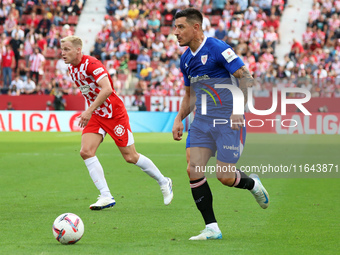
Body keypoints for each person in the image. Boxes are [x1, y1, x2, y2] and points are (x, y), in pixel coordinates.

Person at [172, 8, 270, 241]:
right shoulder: (185, 59)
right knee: (192, 168)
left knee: (224, 177)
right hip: (202, 121)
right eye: (175, 27)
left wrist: (238, 110)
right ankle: (212, 227)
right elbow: (190, 96)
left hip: (228, 120)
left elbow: (245, 76)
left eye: (180, 27)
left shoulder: (218, 48)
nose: (175, 32)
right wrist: (179, 118)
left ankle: (252, 184)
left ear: (196, 27)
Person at [60, 36, 173, 210]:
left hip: (114, 113)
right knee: (86, 151)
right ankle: (105, 195)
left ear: (78, 50)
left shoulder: (91, 64)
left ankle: (164, 181)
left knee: (130, 157)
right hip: (97, 114)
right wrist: (92, 111)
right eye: (62, 49)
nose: (63, 53)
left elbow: (107, 89)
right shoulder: (72, 70)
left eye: (67, 49)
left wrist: (88, 111)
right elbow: (90, 91)